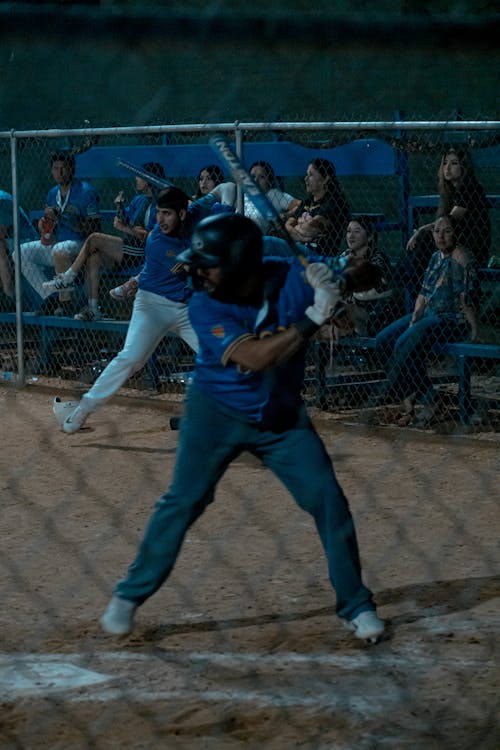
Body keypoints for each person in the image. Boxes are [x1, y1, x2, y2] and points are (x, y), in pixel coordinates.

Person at [100, 212, 386, 644]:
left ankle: (356, 604)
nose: (198, 271)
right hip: (214, 413)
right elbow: (255, 358)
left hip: (281, 419)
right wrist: (312, 317)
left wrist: (341, 279)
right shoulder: (204, 302)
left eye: (208, 263)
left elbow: (373, 271)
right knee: (183, 501)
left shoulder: (292, 275)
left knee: (328, 500)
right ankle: (127, 597)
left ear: (238, 263)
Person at [59, 187, 199, 434]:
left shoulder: (195, 216)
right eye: (158, 213)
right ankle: (84, 408)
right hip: (152, 304)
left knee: (219, 354)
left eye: (167, 214)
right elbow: (194, 266)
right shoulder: (157, 240)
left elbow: (220, 198)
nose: (161, 220)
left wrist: (209, 204)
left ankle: (210, 413)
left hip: (186, 309)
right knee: (131, 358)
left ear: (182, 213)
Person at [374, 215, 478, 428]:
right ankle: (428, 397)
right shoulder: (435, 257)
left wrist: (474, 329)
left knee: (403, 343)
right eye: (437, 231)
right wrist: (414, 319)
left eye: (447, 231)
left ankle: (421, 402)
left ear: (456, 233)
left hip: (449, 319)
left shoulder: (462, 258)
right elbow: (424, 292)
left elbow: (466, 298)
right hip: (429, 315)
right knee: (384, 340)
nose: (440, 235)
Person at [40, 162, 166, 322]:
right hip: (129, 247)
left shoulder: (161, 203)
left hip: (143, 250)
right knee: (95, 257)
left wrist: (126, 228)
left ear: (149, 179)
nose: (136, 179)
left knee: (94, 238)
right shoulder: (139, 200)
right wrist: (121, 211)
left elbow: (148, 236)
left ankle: (68, 277)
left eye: (140, 176)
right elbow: (121, 221)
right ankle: (94, 308)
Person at [403, 146, 491, 308]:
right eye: (445, 163)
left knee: (423, 239)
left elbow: (447, 221)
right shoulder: (449, 192)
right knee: (425, 244)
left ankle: (409, 278)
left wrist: (422, 229)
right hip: (449, 243)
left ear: (463, 167)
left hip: (470, 247)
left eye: (454, 163)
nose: (447, 168)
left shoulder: (471, 188)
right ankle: (412, 281)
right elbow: (441, 226)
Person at [19, 150, 101, 315]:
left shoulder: (86, 191)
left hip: (81, 246)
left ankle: (66, 303)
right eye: (56, 168)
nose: (60, 172)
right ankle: (51, 298)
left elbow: (95, 229)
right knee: (20, 253)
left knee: (60, 248)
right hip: (58, 245)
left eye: (64, 168)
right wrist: (45, 228)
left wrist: (67, 219)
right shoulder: (52, 193)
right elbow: (49, 235)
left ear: (72, 169)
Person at [329, 216, 398, 340]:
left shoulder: (377, 258)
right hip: (347, 303)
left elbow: (383, 290)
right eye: (349, 231)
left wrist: (350, 291)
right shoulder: (345, 256)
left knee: (344, 311)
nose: (351, 236)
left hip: (372, 309)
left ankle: (364, 349)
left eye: (356, 231)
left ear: (370, 236)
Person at [284, 158, 350, 256]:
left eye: (311, 175)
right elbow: (286, 226)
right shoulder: (307, 201)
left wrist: (298, 223)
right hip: (297, 249)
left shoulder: (334, 202)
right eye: (307, 174)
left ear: (325, 179)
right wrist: (302, 237)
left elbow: (309, 228)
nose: (306, 178)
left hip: (318, 254)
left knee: (268, 243)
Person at [0, 189, 37, 310]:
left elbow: (1, 233)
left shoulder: (2, 199)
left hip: (25, 241)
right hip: (9, 242)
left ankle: (8, 297)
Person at [245, 160, 298, 234]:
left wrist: (285, 215)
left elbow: (301, 205)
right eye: (253, 176)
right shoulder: (244, 196)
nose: (255, 180)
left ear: (269, 181)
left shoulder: (274, 194)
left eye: (262, 177)